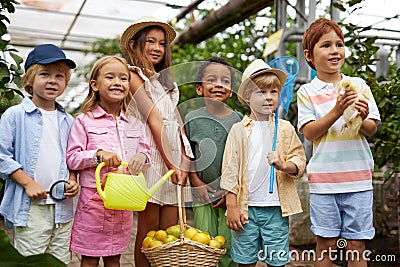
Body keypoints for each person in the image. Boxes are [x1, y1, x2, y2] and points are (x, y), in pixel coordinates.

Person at [298, 18, 380, 267]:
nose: (335, 50)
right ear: (309, 55)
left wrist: (363, 117)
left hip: (358, 180)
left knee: (356, 245)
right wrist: (336, 110)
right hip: (324, 182)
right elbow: (310, 133)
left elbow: (371, 129)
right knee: (326, 244)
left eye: (339, 44)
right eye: (326, 45)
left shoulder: (359, 85)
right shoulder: (307, 92)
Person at [120, 16, 193, 267]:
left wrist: (183, 163)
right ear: (133, 45)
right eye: (150, 41)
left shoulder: (167, 85)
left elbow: (179, 126)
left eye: (161, 44)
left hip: (172, 161)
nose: (156, 48)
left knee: (170, 231)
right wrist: (172, 163)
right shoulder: (132, 75)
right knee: (149, 232)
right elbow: (154, 120)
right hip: (151, 159)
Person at [220, 59, 306, 267]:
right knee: (245, 261)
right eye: (261, 92)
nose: (268, 97)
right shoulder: (238, 130)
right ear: (247, 97)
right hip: (245, 209)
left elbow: (299, 160)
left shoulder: (285, 129)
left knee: (277, 262)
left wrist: (284, 165)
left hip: (276, 209)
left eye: (273, 92)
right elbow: (230, 171)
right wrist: (231, 206)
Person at [66, 55, 150, 267]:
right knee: (90, 258)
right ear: (94, 84)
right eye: (110, 77)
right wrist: (98, 154)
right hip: (93, 203)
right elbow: (72, 157)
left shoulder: (134, 122)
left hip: (123, 203)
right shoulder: (84, 121)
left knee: (115, 258)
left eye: (123, 78)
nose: (117, 83)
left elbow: (145, 151)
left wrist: (142, 157)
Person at [0, 44, 79, 264]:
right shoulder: (15, 115)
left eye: (60, 76)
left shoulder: (68, 121)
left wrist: (73, 180)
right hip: (31, 208)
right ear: (30, 80)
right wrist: (27, 183)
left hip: (62, 209)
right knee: (32, 260)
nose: (53, 80)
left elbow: (73, 157)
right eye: (45, 74)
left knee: (59, 260)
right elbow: (1, 155)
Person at [184, 57, 242, 267]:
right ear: (199, 89)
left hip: (232, 197)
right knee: (203, 247)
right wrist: (196, 182)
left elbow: (243, 160)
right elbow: (187, 154)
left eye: (225, 81)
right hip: (202, 194)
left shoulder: (239, 120)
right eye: (212, 79)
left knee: (228, 248)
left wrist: (231, 193)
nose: (219, 84)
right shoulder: (191, 118)